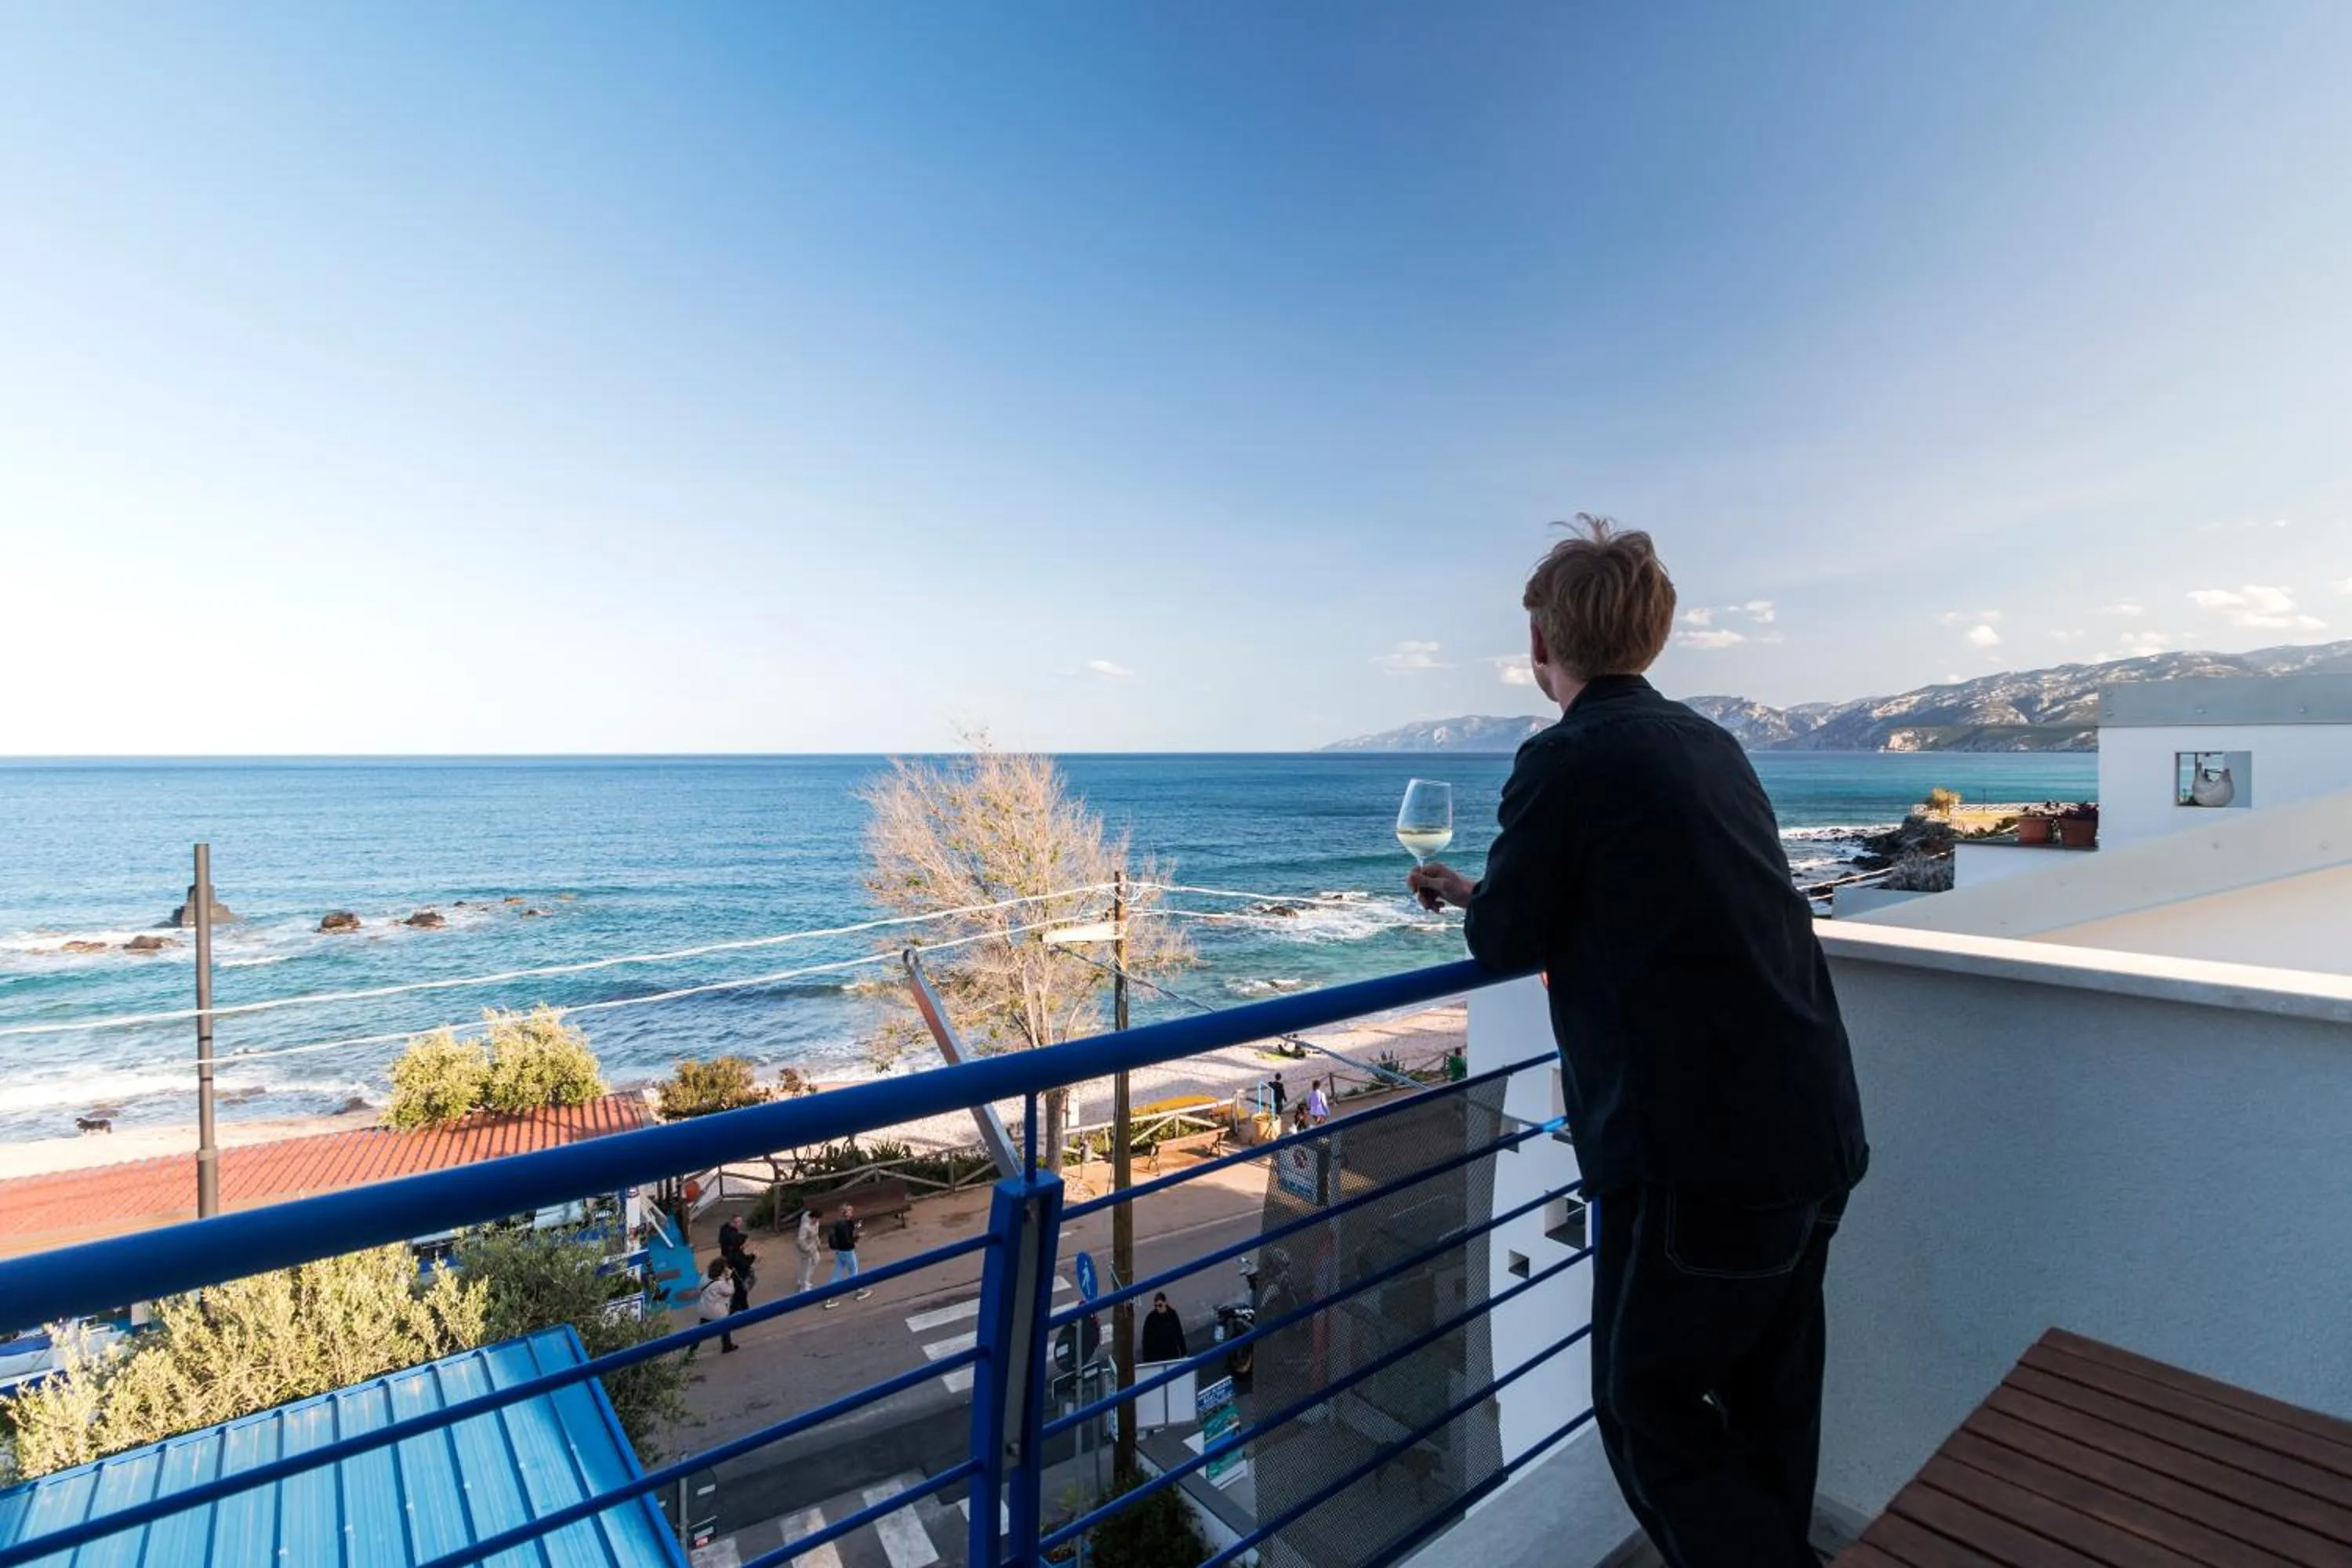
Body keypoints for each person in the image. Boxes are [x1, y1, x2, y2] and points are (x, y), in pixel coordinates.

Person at [1408, 517, 1867, 1568]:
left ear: (1539, 648)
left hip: (1698, 1155)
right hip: (1814, 1125)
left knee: (1643, 1408)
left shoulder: (1564, 757)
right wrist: (1493, 892)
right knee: (1770, 1405)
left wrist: (1477, 903)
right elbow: (1634, 899)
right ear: (1652, 638)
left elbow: (1508, 938)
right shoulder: (1710, 744)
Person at [821, 1203, 873, 1308]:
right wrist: (858, 1237)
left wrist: (855, 1228)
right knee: (853, 1271)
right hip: (848, 1251)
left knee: (837, 1274)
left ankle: (829, 1298)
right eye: (850, 1211)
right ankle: (859, 1291)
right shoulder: (846, 1224)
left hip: (839, 1251)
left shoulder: (838, 1222)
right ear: (845, 1213)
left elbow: (847, 1232)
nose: (851, 1213)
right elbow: (848, 1240)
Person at [685, 1256, 736, 1360]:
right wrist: (730, 1279)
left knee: (700, 1332)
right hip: (717, 1311)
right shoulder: (720, 1284)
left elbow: (699, 1289)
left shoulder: (705, 1277)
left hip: (705, 1309)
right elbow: (730, 1291)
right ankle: (727, 1346)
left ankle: (691, 1351)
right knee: (725, 1326)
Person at [1140, 1292, 1188, 1363]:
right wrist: (1146, 1359)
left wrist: (1184, 1353)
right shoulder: (1151, 1318)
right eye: (1156, 1306)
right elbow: (1146, 1339)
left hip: (1172, 1353)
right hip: (1157, 1356)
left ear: (1165, 1303)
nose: (1158, 1308)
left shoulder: (1172, 1315)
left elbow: (1179, 1334)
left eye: (1160, 1305)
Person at [796, 1204, 822, 1294]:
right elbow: (801, 1240)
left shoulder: (816, 1223)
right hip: (804, 1249)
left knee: (816, 1260)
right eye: (817, 1219)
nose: (818, 1221)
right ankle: (804, 1286)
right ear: (813, 1217)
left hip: (813, 1246)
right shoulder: (805, 1226)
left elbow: (816, 1235)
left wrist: (818, 1244)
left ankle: (803, 1280)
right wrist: (807, 1249)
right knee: (806, 1266)